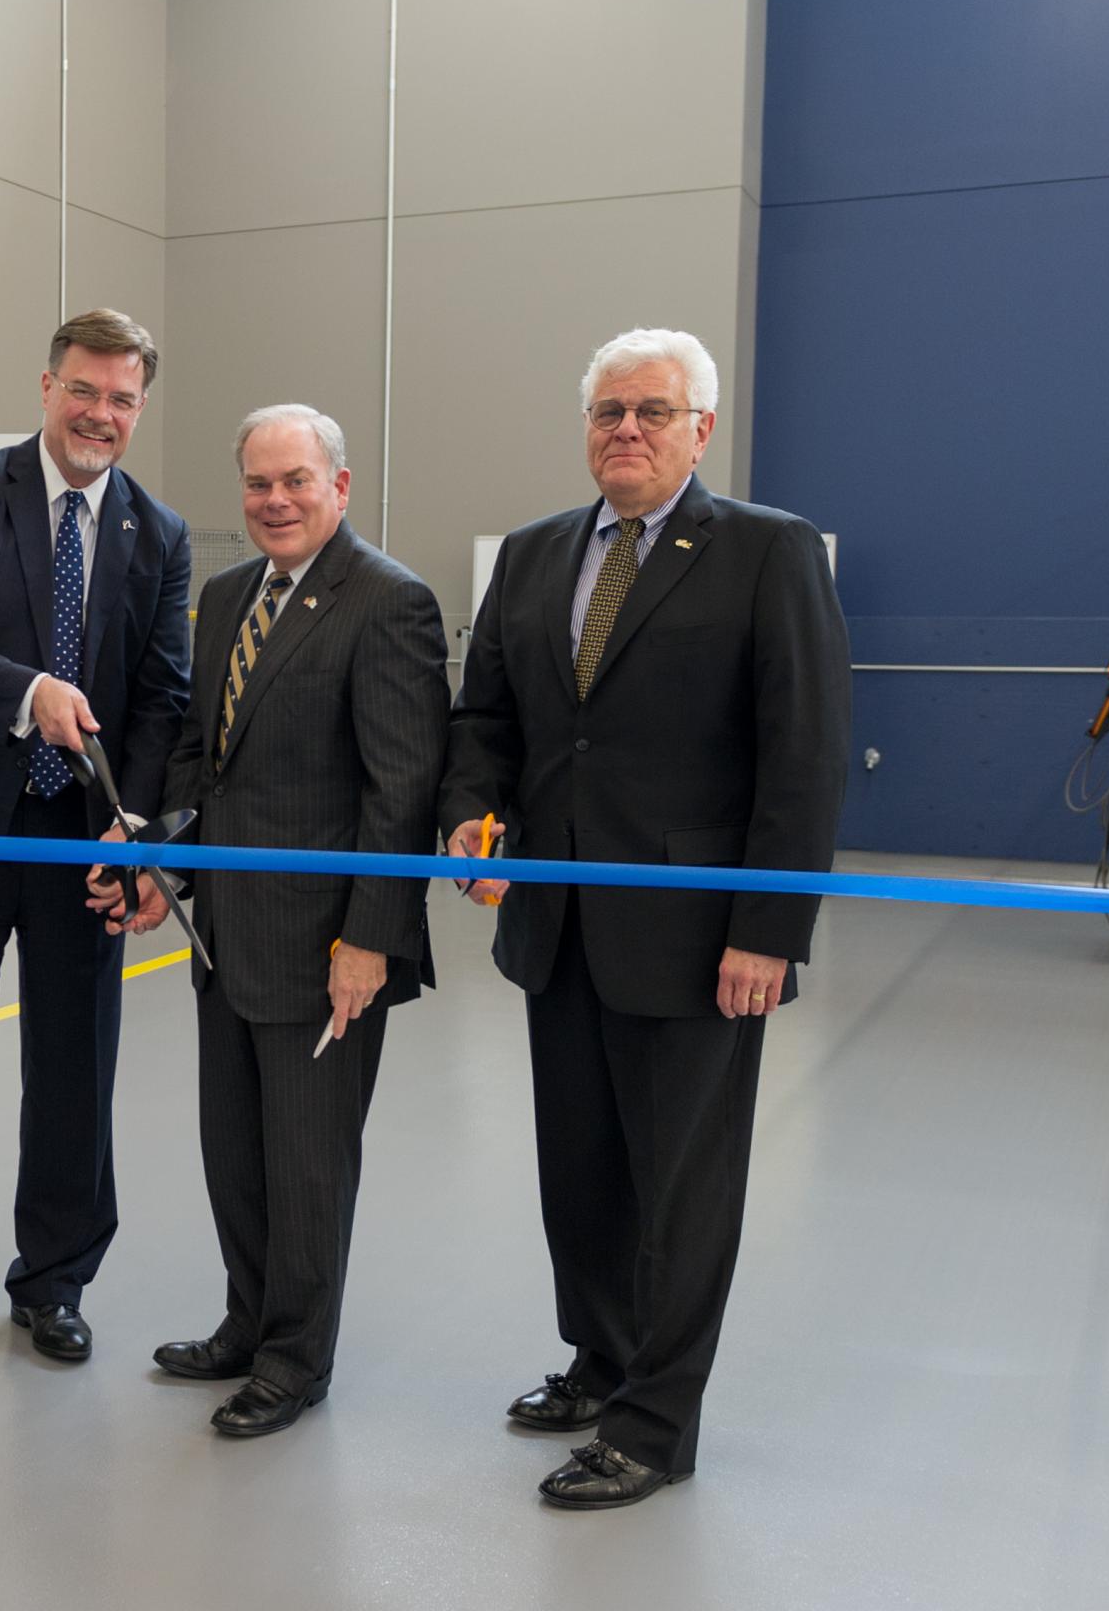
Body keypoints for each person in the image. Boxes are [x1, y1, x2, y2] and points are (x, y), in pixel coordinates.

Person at [442, 326, 848, 1509]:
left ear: (700, 428)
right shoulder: (530, 557)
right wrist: (472, 811)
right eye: (609, 409)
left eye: (653, 411)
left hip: (697, 938)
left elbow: (805, 755)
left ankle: (656, 1422)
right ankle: (601, 1357)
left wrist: (768, 929)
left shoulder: (766, 553)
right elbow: (488, 721)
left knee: (680, 1185)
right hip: (556, 926)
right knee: (582, 1168)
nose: (627, 428)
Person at [99, 405, 447, 1436]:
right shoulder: (227, 595)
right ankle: (248, 1323)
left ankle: (297, 1360)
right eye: (258, 484)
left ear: (340, 487)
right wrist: (160, 852)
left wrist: (369, 940)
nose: (276, 501)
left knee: (306, 1165)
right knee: (236, 1151)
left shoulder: (390, 602)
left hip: (328, 945)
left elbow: (402, 789)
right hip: (231, 939)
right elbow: (210, 758)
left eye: (297, 480)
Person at [0, 310, 194, 1369]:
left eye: (123, 399)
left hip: (78, 845)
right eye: (84, 391)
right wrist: (29, 691)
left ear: (139, 406)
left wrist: (133, 825)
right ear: (47, 385)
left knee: (74, 1071)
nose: (101, 414)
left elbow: (162, 695)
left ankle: (54, 1281)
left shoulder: (161, 532)